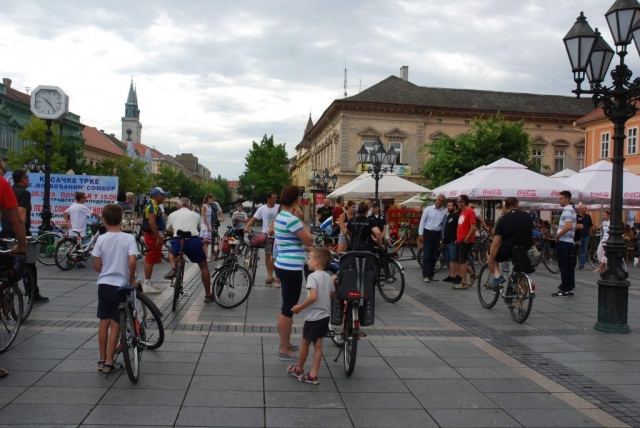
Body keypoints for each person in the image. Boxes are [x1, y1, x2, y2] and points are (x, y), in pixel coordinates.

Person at [91, 203, 137, 374]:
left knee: (103, 322)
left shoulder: (101, 239)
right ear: (121, 220)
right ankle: (110, 362)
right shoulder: (128, 238)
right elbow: (132, 261)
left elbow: (97, 265)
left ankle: (101, 360)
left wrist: (105, 270)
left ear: (103, 220)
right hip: (120, 286)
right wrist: (130, 279)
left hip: (104, 284)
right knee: (116, 323)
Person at [274, 186, 314, 361]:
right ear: (297, 199)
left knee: (285, 306)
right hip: (291, 268)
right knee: (288, 308)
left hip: (282, 263)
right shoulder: (292, 219)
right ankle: (284, 349)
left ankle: (286, 342)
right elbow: (309, 239)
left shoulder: (280, 216)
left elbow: (299, 242)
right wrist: (301, 219)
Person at [0, 168, 48, 302]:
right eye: (27, 178)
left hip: (4, 231)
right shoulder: (23, 193)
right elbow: (21, 215)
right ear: (22, 179)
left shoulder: (10, 189)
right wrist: (23, 238)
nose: (29, 181)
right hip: (17, 232)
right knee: (28, 264)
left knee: (5, 263)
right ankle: (32, 293)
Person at [289, 248, 335, 385]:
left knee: (305, 343)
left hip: (313, 316)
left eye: (309, 258)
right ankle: (314, 373)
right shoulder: (327, 276)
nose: (307, 260)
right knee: (318, 344)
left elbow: (313, 296)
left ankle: (299, 368)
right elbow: (332, 294)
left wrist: (299, 307)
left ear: (316, 261)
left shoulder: (312, 277)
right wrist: (332, 280)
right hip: (325, 315)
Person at [165, 198, 212, 301]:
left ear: (178, 206)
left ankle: (173, 268)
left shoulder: (172, 214)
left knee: (172, 253)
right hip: (193, 241)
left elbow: (168, 229)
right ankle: (208, 294)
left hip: (178, 240)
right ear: (190, 206)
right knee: (204, 266)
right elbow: (199, 228)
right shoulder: (195, 215)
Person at [487, 197, 533, 288]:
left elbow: (496, 244)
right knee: (521, 271)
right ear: (517, 205)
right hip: (526, 250)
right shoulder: (527, 216)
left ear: (506, 207)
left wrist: (491, 261)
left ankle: (497, 276)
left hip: (509, 250)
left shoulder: (503, 219)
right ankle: (522, 300)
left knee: (490, 252)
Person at [244, 191, 280, 284]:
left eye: (276, 198)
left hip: (278, 236)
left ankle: (277, 275)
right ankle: (269, 276)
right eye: (273, 198)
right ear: (268, 199)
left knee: (276, 256)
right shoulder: (262, 209)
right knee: (268, 254)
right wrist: (247, 227)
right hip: (267, 235)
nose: (275, 200)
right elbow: (253, 219)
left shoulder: (279, 208)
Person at [62, 191, 102, 268]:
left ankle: (74, 260)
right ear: (81, 198)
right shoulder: (82, 207)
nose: (86, 199)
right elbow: (93, 213)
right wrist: (101, 218)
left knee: (74, 245)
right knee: (78, 245)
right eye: (85, 198)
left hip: (73, 228)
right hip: (79, 228)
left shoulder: (73, 206)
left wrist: (68, 222)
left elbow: (64, 213)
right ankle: (75, 261)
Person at [140, 187, 168, 293]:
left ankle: (148, 283)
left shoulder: (153, 204)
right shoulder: (153, 205)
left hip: (153, 234)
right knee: (150, 259)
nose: (164, 197)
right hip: (152, 235)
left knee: (152, 259)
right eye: (163, 195)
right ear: (157, 196)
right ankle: (147, 284)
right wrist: (158, 237)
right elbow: (152, 222)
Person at [417, 194, 447, 283]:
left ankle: (431, 274)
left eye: (441, 200)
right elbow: (422, 221)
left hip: (437, 234)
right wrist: (420, 234)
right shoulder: (428, 209)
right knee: (427, 255)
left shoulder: (444, 213)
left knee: (434, 255)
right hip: (428, 232)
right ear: (435, 200)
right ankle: (425, 275)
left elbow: (444, 225)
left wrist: (443, 236)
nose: (439, 201)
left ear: (443, 202)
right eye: (438, 200)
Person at [552, 191, 577, 297]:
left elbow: (568, 226)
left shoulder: (567, 210)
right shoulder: (572, 210)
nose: (559, 200)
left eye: (561, 198)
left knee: (564, 266)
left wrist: (557, 236)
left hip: (564, 242)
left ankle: (565, 289)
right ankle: (570, 288)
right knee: (569, 266)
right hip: (569, 242)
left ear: (567, 199)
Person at [454, 195, 477, 289]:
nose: (457, 203)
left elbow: (473, 227)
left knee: (462, 261)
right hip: (460, 239)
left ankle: (463, 283)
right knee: (458, 260)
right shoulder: (462, 211)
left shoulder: (470, 212)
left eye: (459, 202)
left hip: (465, 240)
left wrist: (467, 238)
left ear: (463, 202)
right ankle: (472, 274)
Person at [442, 200, 461, 284]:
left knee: (454, 259)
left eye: (450, 206)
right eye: (448, 206)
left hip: (453, 241)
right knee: (449, 259)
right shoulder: (449, 215)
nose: (448, 207)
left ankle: (458, 275)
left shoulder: (457, 216)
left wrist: (457, 239)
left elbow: (459, 228)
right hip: (447, 240)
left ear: (455, 206)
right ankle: (452, 275)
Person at [578, 205, 594, 271]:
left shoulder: (588, 216)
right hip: (578, 236)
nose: (584, 209)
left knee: (584, 251)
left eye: (585, 208)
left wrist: (589, 233)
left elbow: (591, 225)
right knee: (575, 250)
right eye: (583, 208)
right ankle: (572, 264)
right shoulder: (577, 216)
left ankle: (581, 265)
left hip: (586, 236)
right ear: (579, 209)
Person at [595, 209, 611, 274]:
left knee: (605, 252)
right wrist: (600, 227)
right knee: (599, 251)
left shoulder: (611, 222)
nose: (603, 216)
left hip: (608, 238)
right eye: (602, 215)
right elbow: (603, 230)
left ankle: (600, 266)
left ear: (608, 215)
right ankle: (603, 265)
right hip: (603, 238)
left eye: (604, 215)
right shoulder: (604, 222)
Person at [199, 194, 214, 262]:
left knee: (206, 242)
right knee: (205, 242)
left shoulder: (209, 206)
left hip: (208, 225)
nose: (212, 201)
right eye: (212, 199)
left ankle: (204, 255)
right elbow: (204, 217)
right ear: (208, 198)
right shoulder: (204, 206)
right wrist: (208, 226)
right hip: (205, 226)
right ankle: (206, 256)